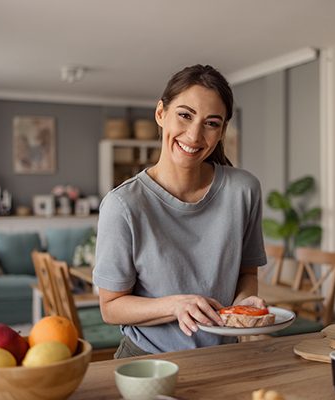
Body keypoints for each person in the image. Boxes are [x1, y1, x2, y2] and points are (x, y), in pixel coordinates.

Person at [93, 64, 267, 358]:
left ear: (222, 130)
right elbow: (110, 308)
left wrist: (244, 303)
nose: (194, 134)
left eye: (211, 123)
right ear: (161, 113)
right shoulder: (122, 205)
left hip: (224, 359)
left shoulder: (244, 190)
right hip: (147, 360)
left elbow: (246, 272)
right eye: (185, 115)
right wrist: (176, 305)